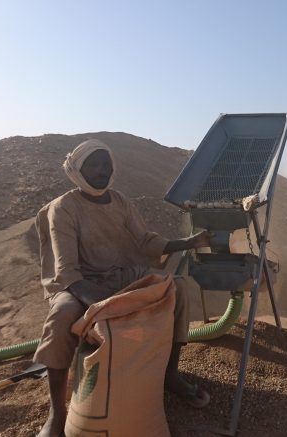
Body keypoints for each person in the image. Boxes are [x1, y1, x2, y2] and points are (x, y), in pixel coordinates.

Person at [33, 139, 210, 437]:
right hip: (79, 282)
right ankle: (57, 412)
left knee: (176, 288)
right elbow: (67, 270)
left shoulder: (120, 201)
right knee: (62, 315)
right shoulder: (64, 208)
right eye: (95, 164)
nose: (103, 170)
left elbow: (145, 241)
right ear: (77, 168)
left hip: (122, 275)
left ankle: (171, 376)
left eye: (107, 164)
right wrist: (102, 305)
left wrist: (189, 243)